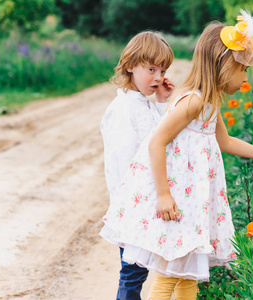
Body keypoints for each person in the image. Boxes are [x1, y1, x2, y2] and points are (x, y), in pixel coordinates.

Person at [101, 10, 253, 300]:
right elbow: (156, 142)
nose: (245, 78)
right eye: (242, 69)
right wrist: (164, 195)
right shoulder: (193, 101)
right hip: (176, 202)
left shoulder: (208, 103)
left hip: (193, 203)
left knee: (186, 276)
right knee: (169, 275)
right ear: (223, 65)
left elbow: (226, 141)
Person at [100, 31, 174, 300]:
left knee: (140, 272)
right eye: (151, 68)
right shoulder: (123, 109)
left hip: (143, 205)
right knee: (132, 274)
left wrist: (164, 103)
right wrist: (132, 206)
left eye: (163, 69)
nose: (158, 77)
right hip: (132, 206)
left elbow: (163, 137)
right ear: (130, 65)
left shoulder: (145, 104)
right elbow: (124, 163)